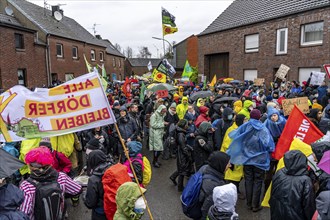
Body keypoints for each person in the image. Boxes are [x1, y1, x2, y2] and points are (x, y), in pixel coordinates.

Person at [227, 109, 275, 212]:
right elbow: (268, 144)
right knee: (258, 181)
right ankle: (255, 205)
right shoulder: (263, 129)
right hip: (260, 161)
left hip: (247, 159)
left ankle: (249, 204)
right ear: (259, 117)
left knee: (248, 180)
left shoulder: (245, 126)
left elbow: (235, 135)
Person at [19, 147, 82, 220]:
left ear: (31, 167)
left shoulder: (27, 186)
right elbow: (77, 189)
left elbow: (24, 213)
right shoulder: (61, 177)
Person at [270, 150, 316, 220]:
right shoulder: (305, 180)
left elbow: (273, 192)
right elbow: (309, 206)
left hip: (277, 213)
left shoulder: (279, 173)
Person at [199, 151, 231, 220]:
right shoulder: (214, 186)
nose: (230, 165)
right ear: (220, 164)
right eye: (227, 163)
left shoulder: (205, 168)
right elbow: (205, 209)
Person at [84, 150, 112, 220]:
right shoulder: (112, 169)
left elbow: (90, 203)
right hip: (113, 207)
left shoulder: (94, 179)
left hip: (100, 211)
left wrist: (84, 194)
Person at [169, 119, 193, 192]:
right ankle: (180, 187)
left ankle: (173, 177)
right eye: (186, 125)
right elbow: (183, 146)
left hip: (180, 152)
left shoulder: (180, 132)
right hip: (182, 154)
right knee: (182, 170)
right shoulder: (181, 134)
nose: (187, 126)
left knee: (181, 168)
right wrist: (188, 155)